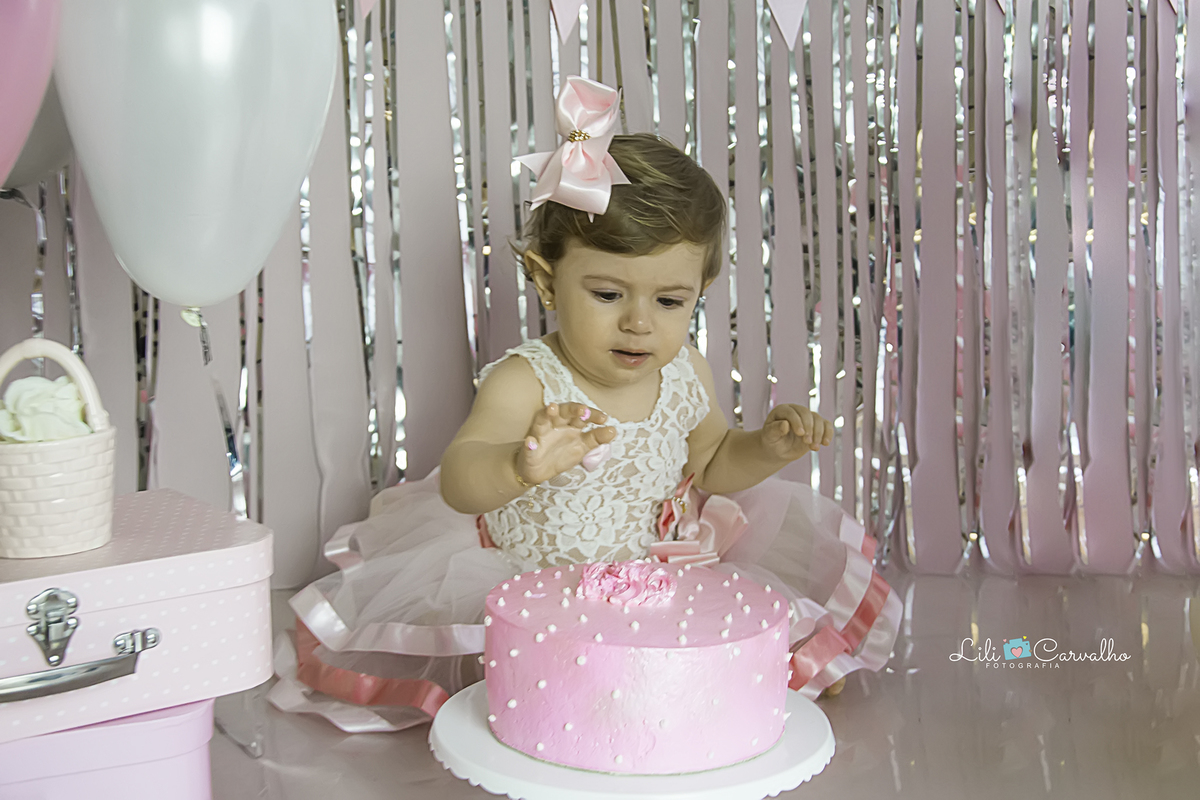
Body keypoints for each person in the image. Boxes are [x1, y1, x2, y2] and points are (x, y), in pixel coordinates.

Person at [269, 77, 902, 734]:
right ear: (548, 279)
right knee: (556, 699)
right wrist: (519, 465)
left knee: (706, 673)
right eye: (607, 295)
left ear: (700, 289)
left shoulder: (685, 371)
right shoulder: (527, 380)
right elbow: (459, 480)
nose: (638, 324)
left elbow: (712, 463)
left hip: (660, 579)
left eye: (668, 302)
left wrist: (766, 449)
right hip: (537, 585)